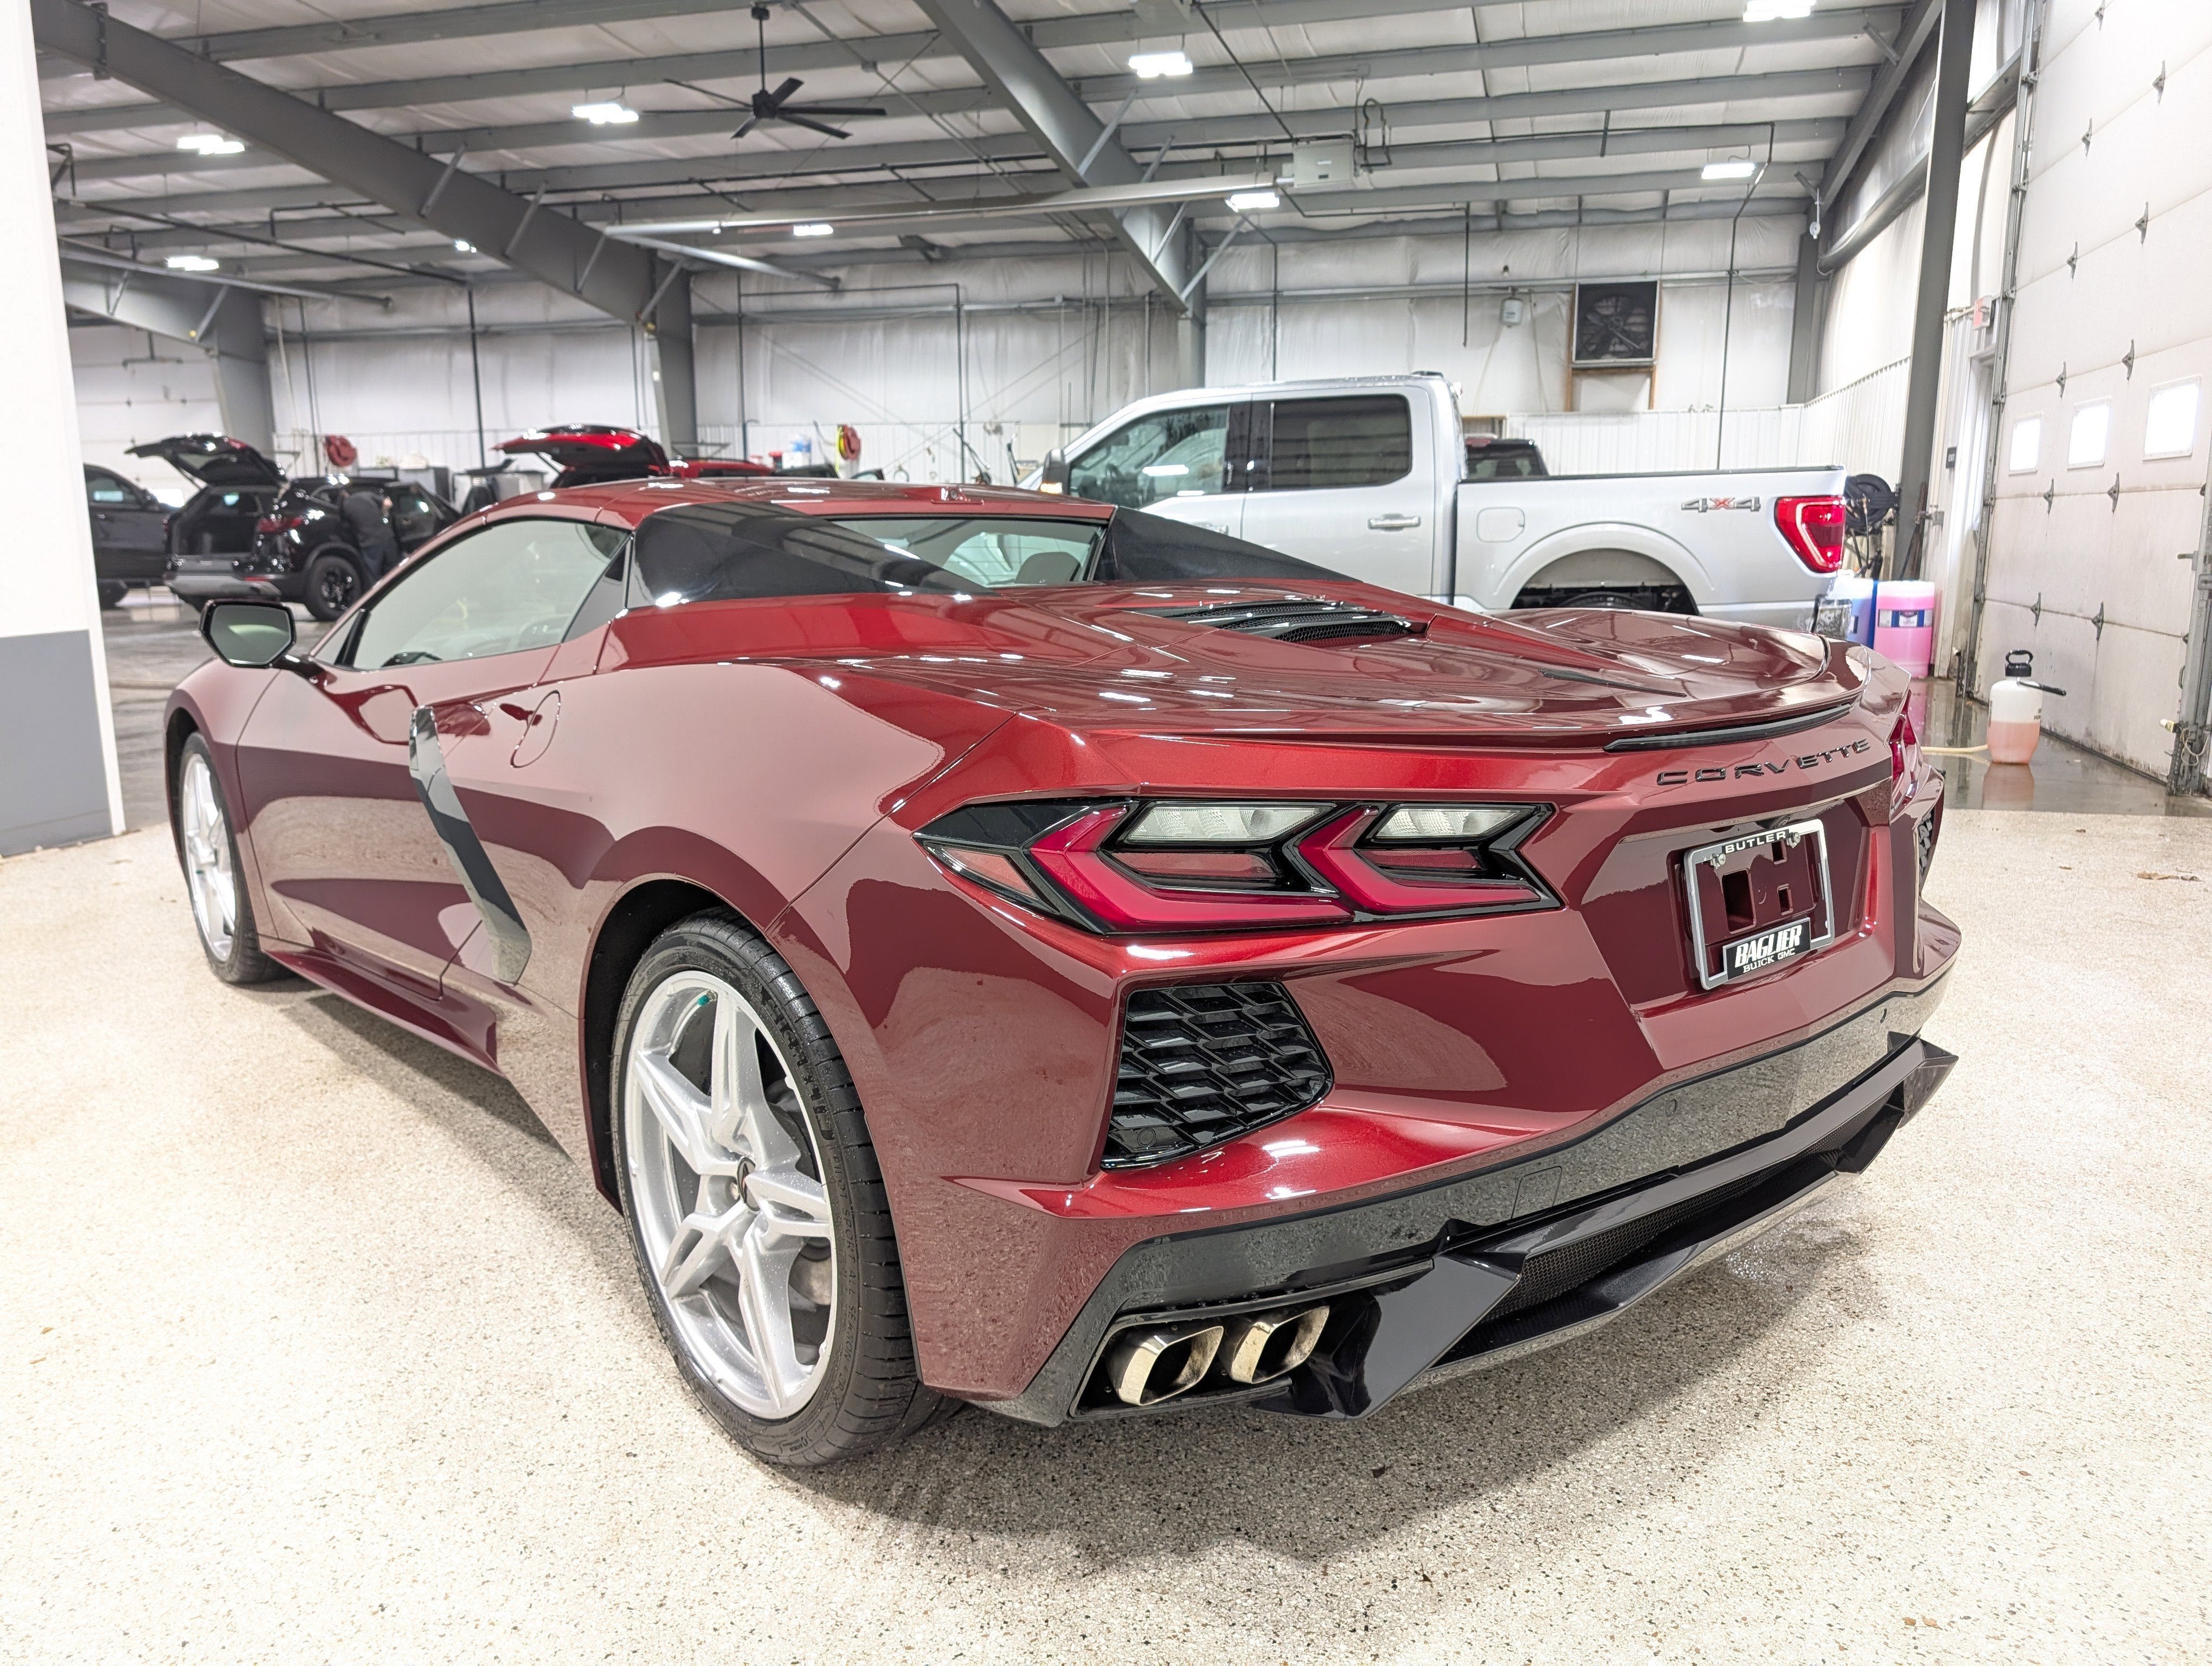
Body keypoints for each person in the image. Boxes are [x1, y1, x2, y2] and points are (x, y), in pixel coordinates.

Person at [340, 486, 401, 581]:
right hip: (387, 538)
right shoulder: (366, 495)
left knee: (374, 577)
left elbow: (345, 525)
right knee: (395, 573)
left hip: (370, 544)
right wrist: (383, 513)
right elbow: (388, 503)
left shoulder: (344, 506)